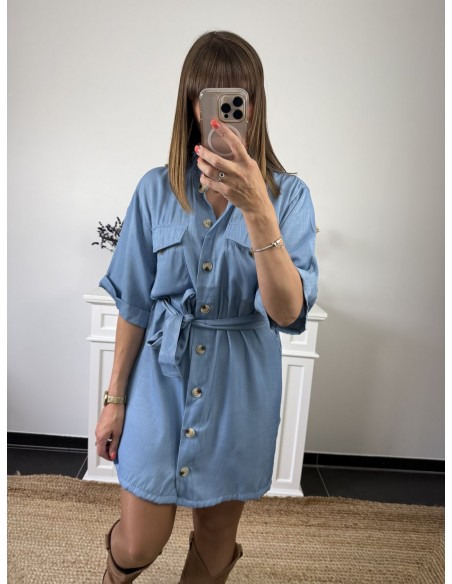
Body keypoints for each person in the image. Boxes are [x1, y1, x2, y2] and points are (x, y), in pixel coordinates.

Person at [95, 30, 319, 584]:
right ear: (192, 106)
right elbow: (134, 301)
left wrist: (257, 210)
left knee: (215, 541)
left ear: (253, 106)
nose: (222, 115)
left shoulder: (289, 197)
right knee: (140, 540)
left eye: (237, 100)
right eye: (210, 99)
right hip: (160, 379)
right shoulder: (155, 190)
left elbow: (287, 313)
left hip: (238, 384)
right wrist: (114, 399)